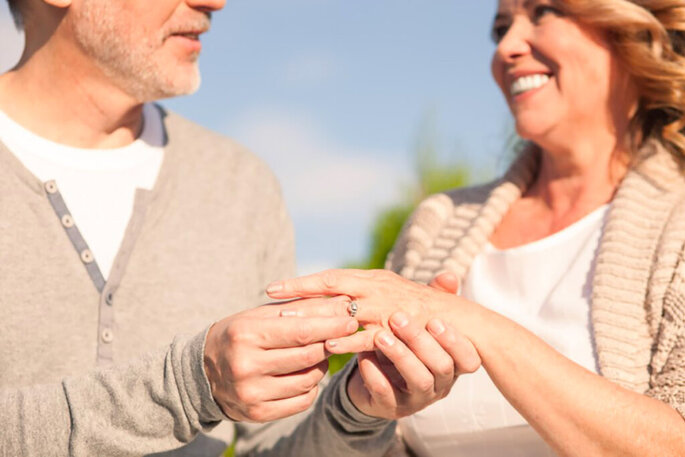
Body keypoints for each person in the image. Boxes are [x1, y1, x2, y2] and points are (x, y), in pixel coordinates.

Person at [0, 0, 482, 456]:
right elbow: (189, 387)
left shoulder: (240, 185)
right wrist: (190, 385)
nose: (216, 2)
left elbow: (271, 444)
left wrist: (356, 409)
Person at [265, 0, 685, 455]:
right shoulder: (439, 220)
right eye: (500, 27)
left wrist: (478, 326)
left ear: (628, 31)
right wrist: (360, 408)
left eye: (543, 12)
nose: (506, 46)